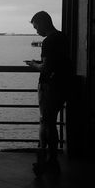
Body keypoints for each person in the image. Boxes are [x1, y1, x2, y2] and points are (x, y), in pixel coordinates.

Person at [25, 11, 71, 176]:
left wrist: (33, 65)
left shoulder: (48, 41)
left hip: (49, 87)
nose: (36, 31)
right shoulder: (63, 37)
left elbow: (46, 67)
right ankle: (51, 159)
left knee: (46, 122)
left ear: (44, 23)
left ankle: (47, 161)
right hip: (63, 86)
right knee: (51, 123)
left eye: (36, 27)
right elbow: (58, 62)